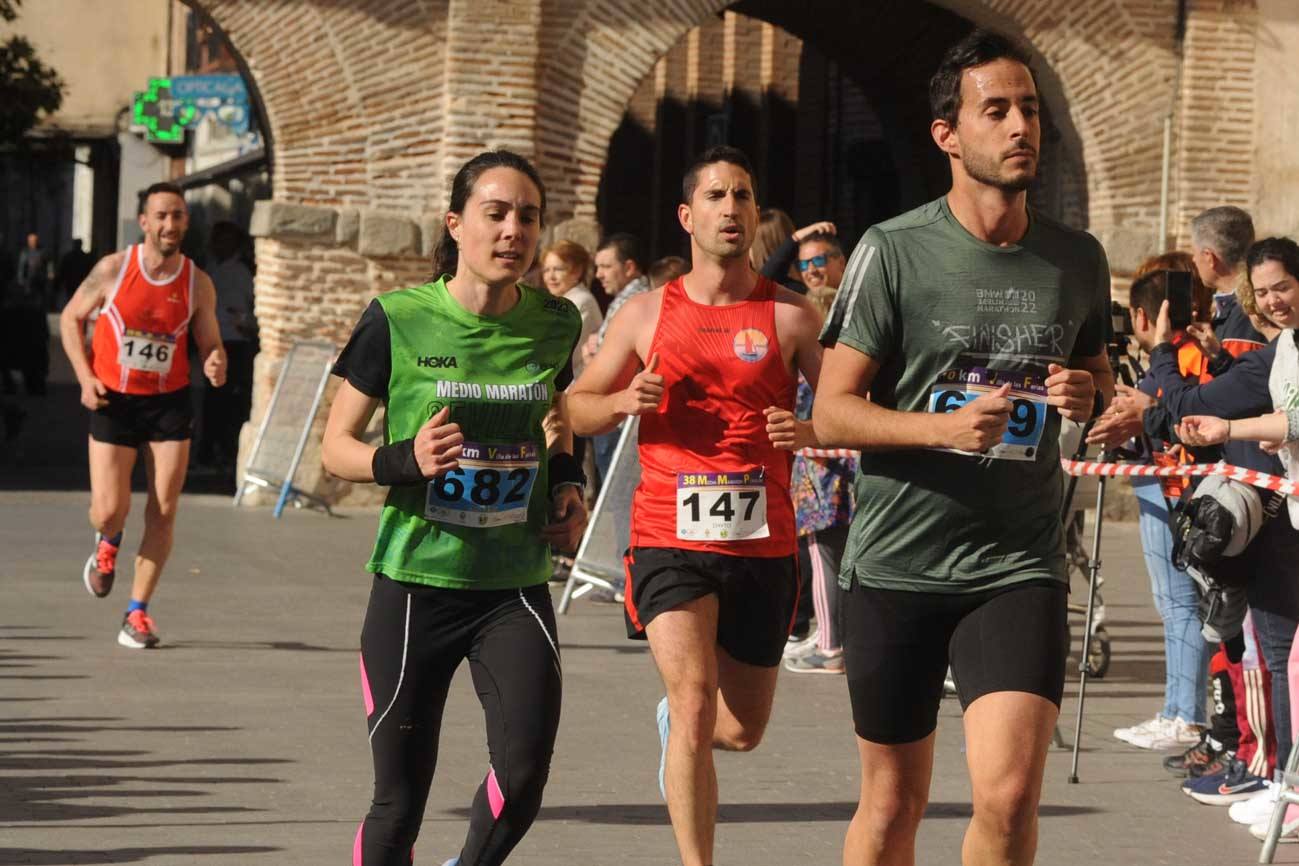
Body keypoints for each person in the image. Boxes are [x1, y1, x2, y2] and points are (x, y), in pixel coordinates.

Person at [813, 31, 1112, 866]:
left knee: (1010, 797)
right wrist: (936, 429)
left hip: (1016, 562)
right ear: (948, 135)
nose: (1021, 125)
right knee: (892, 805)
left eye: (1029, 109)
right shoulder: (892, 251)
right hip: (897, 564)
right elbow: (832, 415)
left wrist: (1093, 400)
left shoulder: (1076, 259)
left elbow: (1096, 378)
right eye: (997, 110)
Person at [321, 149, 587, 866]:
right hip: (414, 587)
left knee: (524, 774)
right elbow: (335, 446)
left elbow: (557, 417)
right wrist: (404, 460)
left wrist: (567, 482)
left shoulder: (555, 323)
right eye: (495, 214)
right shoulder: (398, 319)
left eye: (527, 217)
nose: (513, 231)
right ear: (455, 224)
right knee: (398, 803)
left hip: (513, 586)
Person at [568, 145, 824, 866]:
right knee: (693, 704)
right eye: (716, 195)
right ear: (688, 216)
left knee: (739, 730)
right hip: (666, 538)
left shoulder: (791, 317)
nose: (732, 208)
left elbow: (843, 409)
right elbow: (576, 406)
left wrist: (804, 429)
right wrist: (621, 399)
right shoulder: (647, 315)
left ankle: (681, 721)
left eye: (743, 195)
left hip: (763, 544)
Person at [1158, 238, 1299, 821]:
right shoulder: (1286, 343)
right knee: (1280, 660)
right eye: (1262, 293)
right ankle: (1285, 783)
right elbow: (1287, 416)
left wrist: (1229, 426)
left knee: (1282, 657)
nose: (1273, 302)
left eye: (1282, 288)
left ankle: (1286, 787)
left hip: (1282, 516)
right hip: (1290, 510)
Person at [58, 182, 228, 649]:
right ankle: (106, 542)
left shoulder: (197, 282)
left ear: (185, 223)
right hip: (113, 398)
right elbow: (72, 317)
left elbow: (210, 341)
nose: (170, 224)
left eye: (178, 215)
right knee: (110, 508)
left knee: (164, 510)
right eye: (162, 216)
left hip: (168, 402)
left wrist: (214, 361)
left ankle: (137, 613)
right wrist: (85, 377)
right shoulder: (114, 269)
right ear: (145, 222)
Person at [1088, 255, 1214, 751]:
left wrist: (1137, 411)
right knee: (1176, 603)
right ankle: (1177, 708)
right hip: (1166, 486)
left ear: (1144, 317)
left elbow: (1179, 417)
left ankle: (1186, 713)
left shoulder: (1178, 356)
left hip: (1175, 490)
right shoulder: (1186, 354)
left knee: (1179, 602)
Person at [587, 233, 650, 485]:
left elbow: (611, 360)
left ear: (629, 267)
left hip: (619, 420)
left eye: (605, 266)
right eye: (597, 267)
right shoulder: (627, 299)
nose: (599, 274)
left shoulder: (633, 303)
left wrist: (594, 352)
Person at [197, 221, 258, 471]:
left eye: (223, 240)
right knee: (212, 401)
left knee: (230, 402)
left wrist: (245, 321)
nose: (218, 245)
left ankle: (225, 452)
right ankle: (208, 452)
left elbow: (256, 306)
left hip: (235, 344)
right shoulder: (211, 268)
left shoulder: (242, 271)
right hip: (212, 342)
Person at [540, 239, 602, 379]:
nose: (551, 277)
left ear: (577, 271)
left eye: (558, 269)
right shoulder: (560, 301)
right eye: (546, 270)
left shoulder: (581, 301)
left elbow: (562, 354)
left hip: (573, 385)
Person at [13, 232, 50, 394]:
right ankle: (32, 381)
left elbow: (48, 267)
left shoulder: (42, 253)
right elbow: (21, 270)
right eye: (31, 240)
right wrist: (23, 286)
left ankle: (37, 382)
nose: (33, 242)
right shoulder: (25, 254)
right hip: (29, 289)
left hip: (39, 289)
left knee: (37, 355)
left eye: (35, 240)